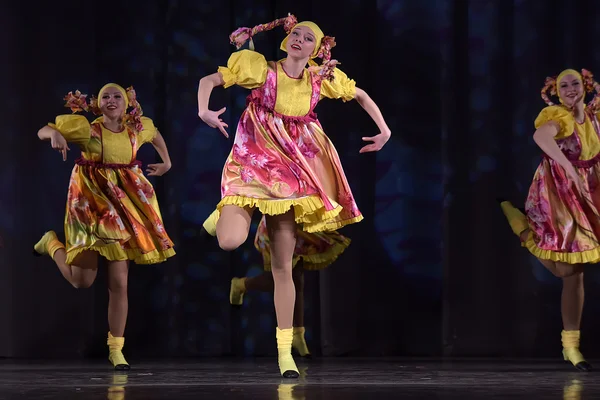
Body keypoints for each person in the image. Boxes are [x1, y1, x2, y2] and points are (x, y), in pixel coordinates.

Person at [197, 14, 391, 377]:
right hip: (253, 159)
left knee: (283, 265)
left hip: (289, 171)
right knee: (228, 241)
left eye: (308, 37)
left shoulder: (320, 78)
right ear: (286, 41)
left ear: (318, 50)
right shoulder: (261, 68)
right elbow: (210, 79)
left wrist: (384, 130)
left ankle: (284, 350)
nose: (300, 39)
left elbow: (360, 94)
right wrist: (203, 109)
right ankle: (226, 208)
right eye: (296, 34)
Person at [34, 83, 175, 370]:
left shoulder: (138, 127)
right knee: (81, 280)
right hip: (89, 204)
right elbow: (43, 130)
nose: (111, 101)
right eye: (105, 97)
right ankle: (52, 243)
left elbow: (156, 135)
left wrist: (167, 162)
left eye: (117, 96)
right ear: (98, 104)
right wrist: (56, 134)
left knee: (119, 282)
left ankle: (116, 349)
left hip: (121, 207)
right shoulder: (87, 129)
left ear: (127, 102)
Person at [499, 68, 600, 372]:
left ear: (585, 85)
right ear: (556, 92)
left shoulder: (593, 115)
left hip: (590, 189)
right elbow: (540, 136)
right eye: (563, 85)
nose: (570, 89)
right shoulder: (559, 116)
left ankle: (571, 347)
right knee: (568, 270)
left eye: (575, 83)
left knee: (573, 272)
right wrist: (570, 170)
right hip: (559, 191)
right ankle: (522, 228)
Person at [229, 216, 351, 358]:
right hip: (278, 223)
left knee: (297, 278)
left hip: (301, 224)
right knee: (276, 280)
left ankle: (298, 335)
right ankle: (241, 285)